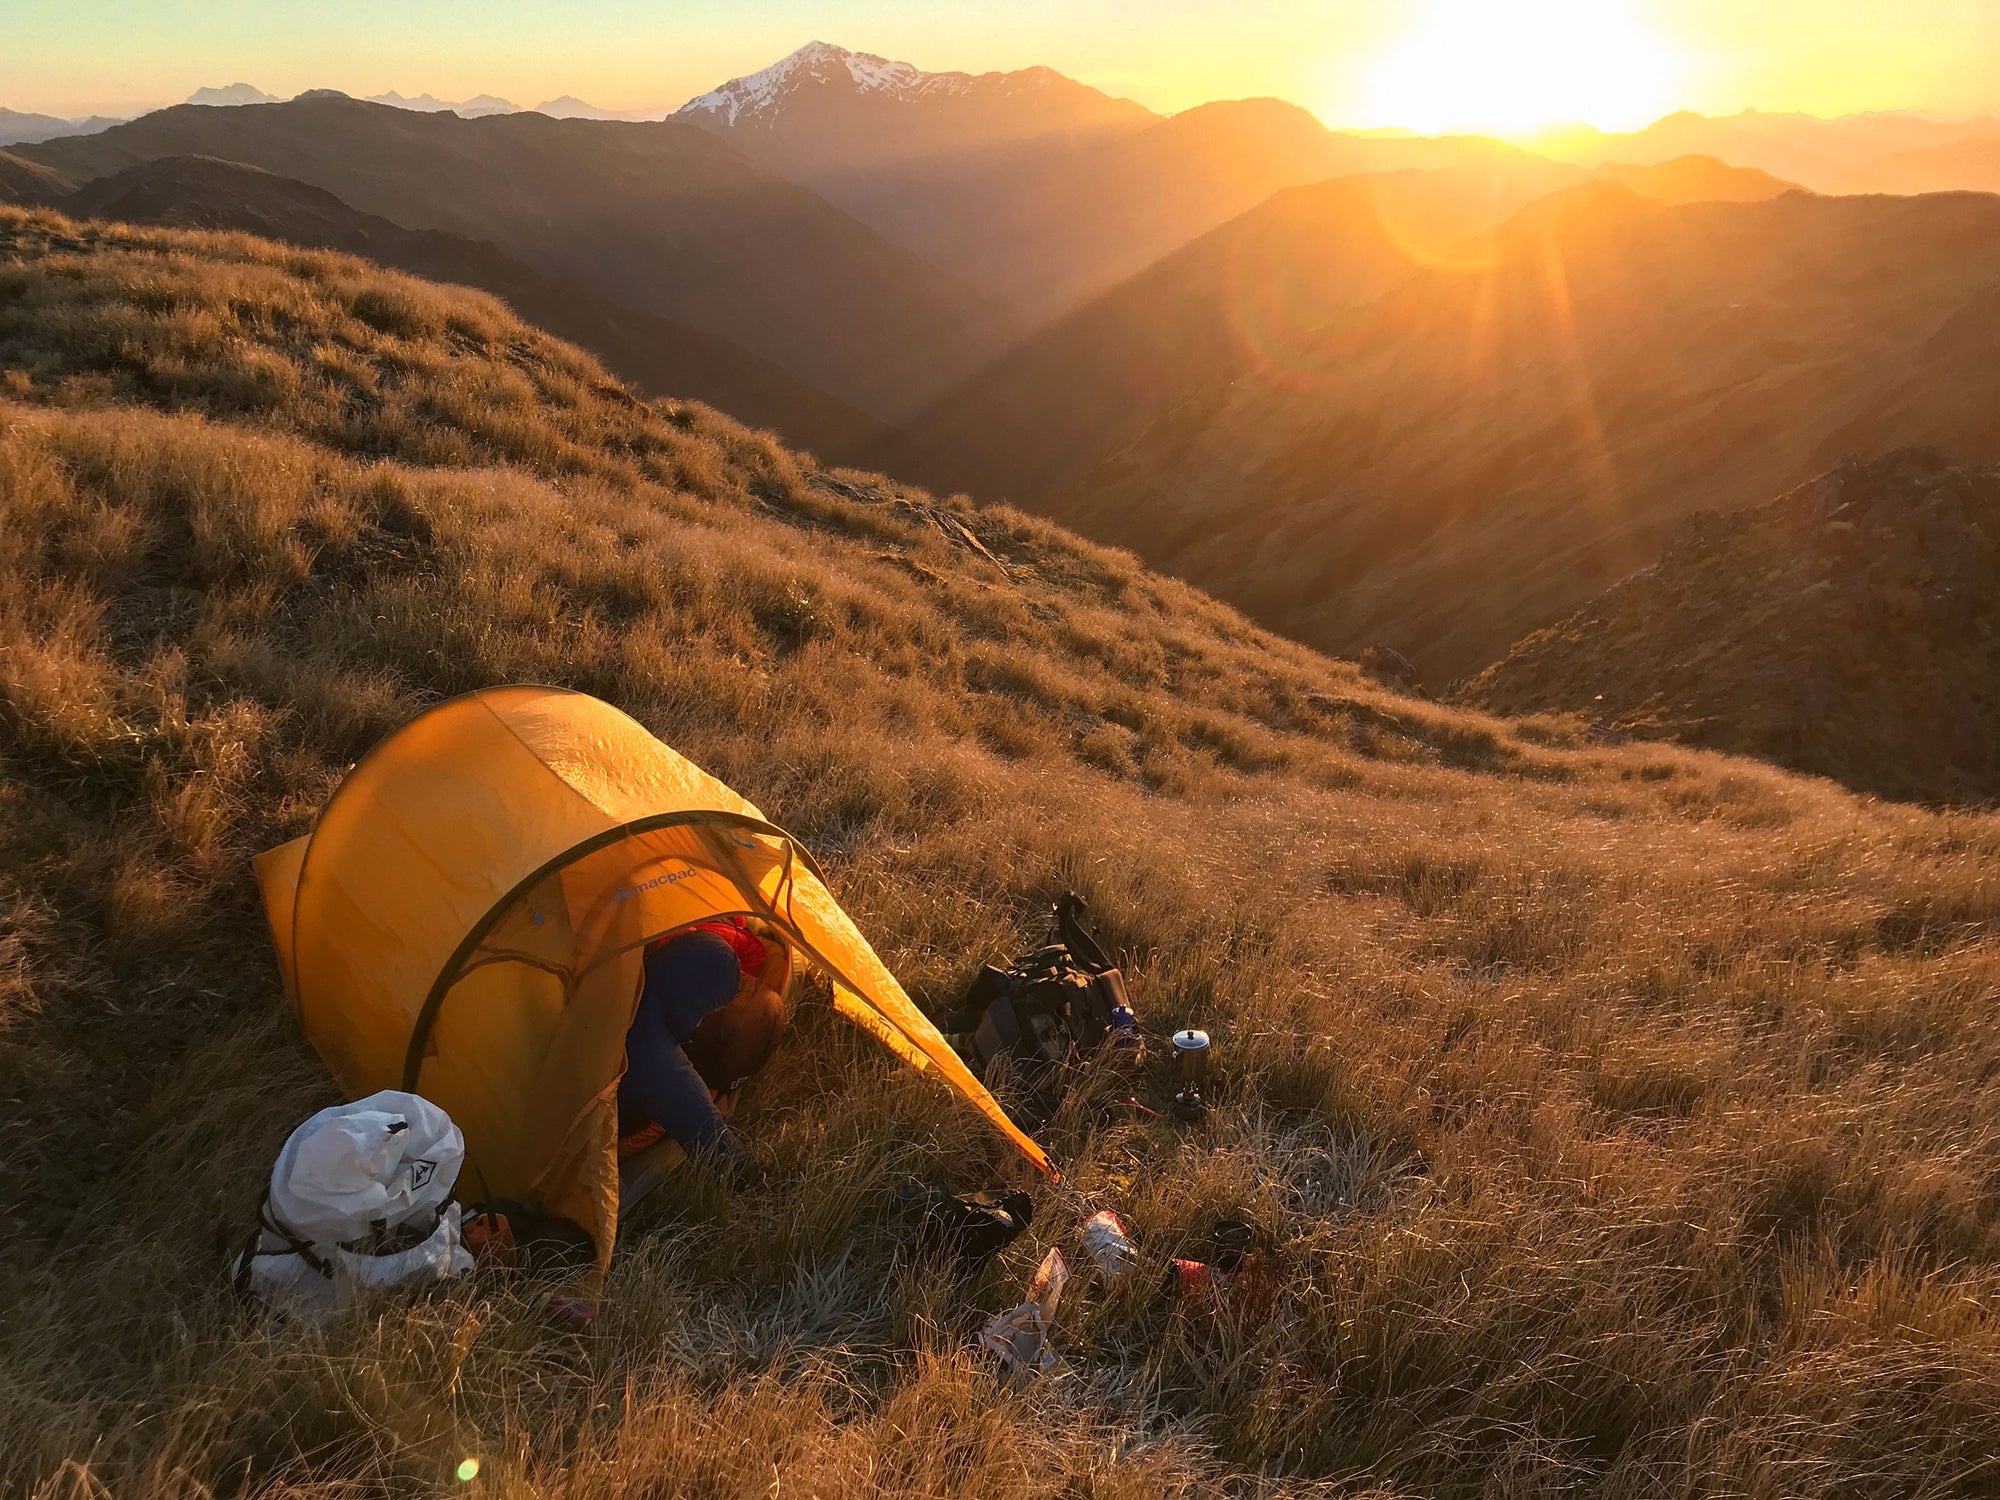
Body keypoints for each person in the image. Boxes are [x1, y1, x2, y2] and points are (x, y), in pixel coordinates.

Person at [617, 920, 788, 1182]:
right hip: (604, 1125)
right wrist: (752, 1177)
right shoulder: (657, 1057)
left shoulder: (627, 970)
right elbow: (706, 1130)